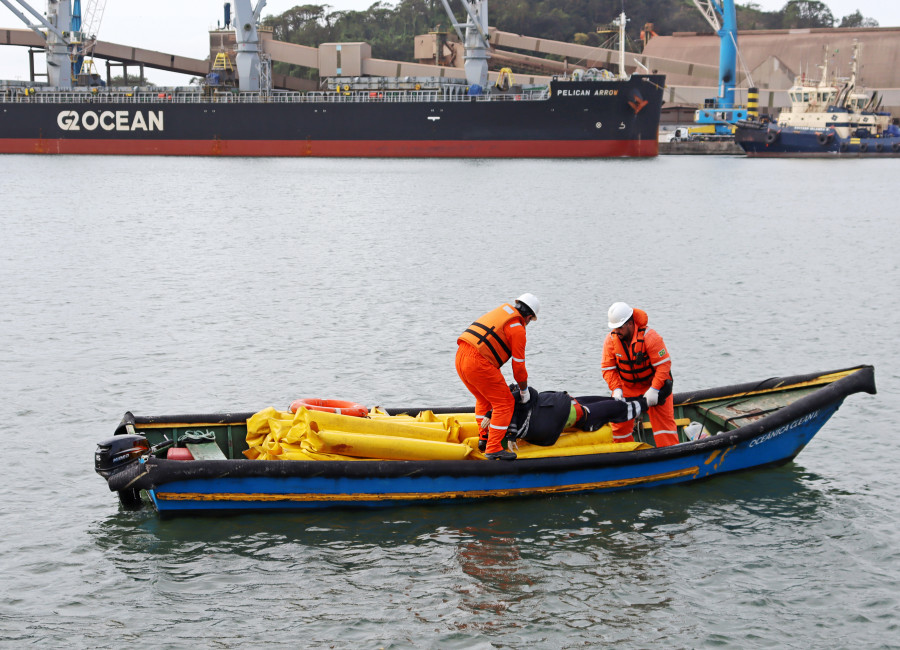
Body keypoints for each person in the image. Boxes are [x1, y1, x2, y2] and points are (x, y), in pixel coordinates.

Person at [456, 294, 540, 460]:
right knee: (505, 402)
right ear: (529, 317)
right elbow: (518, 367)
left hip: (460, 356)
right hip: (478, 362)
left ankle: (484, 438)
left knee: (483, 399)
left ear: (517, 305)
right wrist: (524, 391)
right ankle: (493, 448)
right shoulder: (517, 328)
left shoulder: (501, 312)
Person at [601, 302, 679, 447]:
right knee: (619, 428)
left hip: (654, 386)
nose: (616, 331)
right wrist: (616, 389)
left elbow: (663, 366)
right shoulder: (611, 340)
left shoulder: (651, 338)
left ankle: (671, 459)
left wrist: (655, 389)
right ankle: (625, 457)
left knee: (665, 430)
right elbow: (608, 369)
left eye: (619, 327)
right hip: (627, 387)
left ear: (630, 323)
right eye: (614, 328)